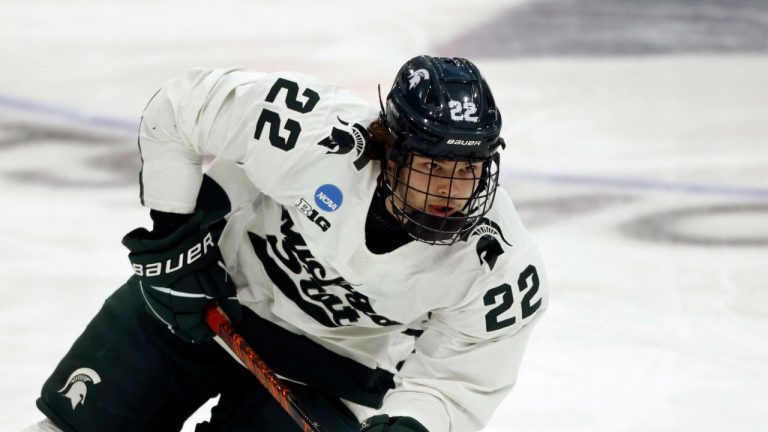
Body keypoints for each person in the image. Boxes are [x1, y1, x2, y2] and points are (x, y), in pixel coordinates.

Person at [25, 55, 548, 432]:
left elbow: (460, 382)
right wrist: (172, 240)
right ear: (393, 154)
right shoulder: (313, 131)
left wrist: (411, 425)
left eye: (469, 170)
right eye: (433, 167)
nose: (450, 192)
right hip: (205, 296)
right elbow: (181, 109)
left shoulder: (500, 265)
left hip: (335, 374)